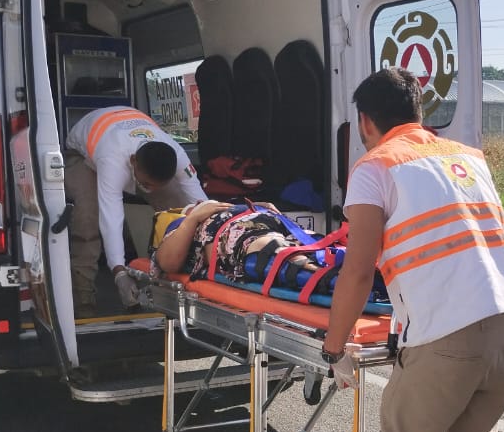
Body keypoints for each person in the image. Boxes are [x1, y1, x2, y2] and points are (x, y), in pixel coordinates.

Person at [320, 68, 504, 432]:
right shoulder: (468, 157)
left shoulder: (375, 166)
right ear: (419, 112)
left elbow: (358, 271)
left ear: (365, 121)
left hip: (445, 342)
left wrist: (335, 348)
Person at [63, 106, 208, 317]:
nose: (150, 189)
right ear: (133, 162)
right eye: (146, 184)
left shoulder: (176, 154)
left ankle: (173, 285)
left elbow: (200, 201)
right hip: (82, 155)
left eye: (156, 185)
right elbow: (111, 217)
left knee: (178, 208)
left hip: (127, 133)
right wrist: (119, 272)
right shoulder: (112, 159)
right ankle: (83, 299)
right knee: (88, 214)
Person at [151, 199, 323, 281]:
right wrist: (193, 218)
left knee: (316, 245)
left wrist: (256, 207)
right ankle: (324, 275)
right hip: (241, 237)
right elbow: (168, 262)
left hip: (271, 221)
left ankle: (327, 264)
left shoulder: (233, 206)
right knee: (270, 248)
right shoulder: (181, 224)